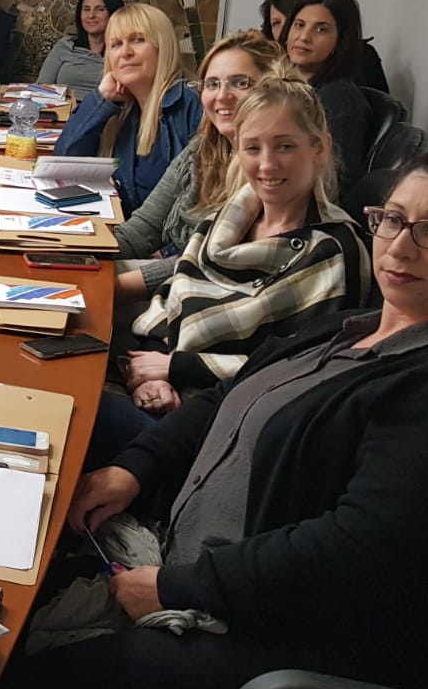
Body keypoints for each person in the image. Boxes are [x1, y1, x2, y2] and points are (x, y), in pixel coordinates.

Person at [0, 148, 428, 689]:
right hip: (209, 585)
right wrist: (134, 468)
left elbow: (356, 553)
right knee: (2, 599)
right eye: (392, 219)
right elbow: (224, 398)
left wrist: (177, 587)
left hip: (298, 668)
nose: (401, 245)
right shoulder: (352, 328)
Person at [92, 77, 372, 460]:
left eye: (285, 146)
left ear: (319, 148)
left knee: (75, 415)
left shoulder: (334, 251)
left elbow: (297, 370)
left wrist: (177, 369)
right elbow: (173, 302)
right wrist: (145, 375)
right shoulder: (226, 220)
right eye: (253, 147)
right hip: (160, 388)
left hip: (224, 428)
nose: (267, 164)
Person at [113, 32, 289, 300]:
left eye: (240, 83)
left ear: (270, 88)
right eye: (212, 84)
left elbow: (211, 266)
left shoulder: (273, 170)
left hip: (209, 297)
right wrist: (76, 255)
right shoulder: (201, 148)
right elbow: (144, 227)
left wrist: (110, 288)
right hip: (175, 281)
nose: (222, 95)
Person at [55, 2, 202, 216]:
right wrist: (101, 99)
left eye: (138, 40)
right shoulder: (121, 108)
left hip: (161, 238)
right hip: (120, 230)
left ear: (163, 46)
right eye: (115, 44)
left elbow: (204, 202)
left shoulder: (193, 105)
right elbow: (64, 166)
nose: (125, 52)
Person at [282, 0, 372, 188]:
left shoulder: (339, 97)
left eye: (321, 29)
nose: (304, 37)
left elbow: (338, 179)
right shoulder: (282, 86)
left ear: (340, 41)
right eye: (299, 25)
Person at [37, 0, 124, 97]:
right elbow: (41, 88)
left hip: (103, 107)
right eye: (86, 9)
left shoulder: (123, 52)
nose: (91, 15)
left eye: (100, 9)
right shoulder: (65, 46)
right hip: (60, 106)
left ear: (113, 14)